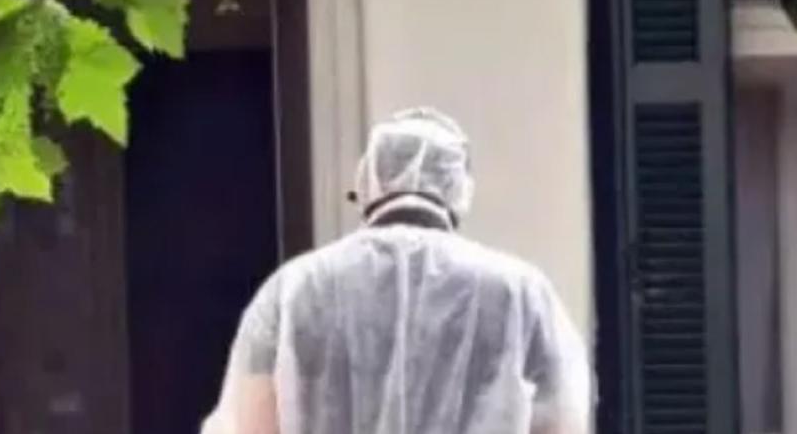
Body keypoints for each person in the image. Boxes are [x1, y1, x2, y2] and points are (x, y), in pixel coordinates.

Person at [201, 108, 592, 434]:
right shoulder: (518, 291)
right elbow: (563, 417)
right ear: (458, 188)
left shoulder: (295, 289)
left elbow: (251, 420)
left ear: (368, 183)